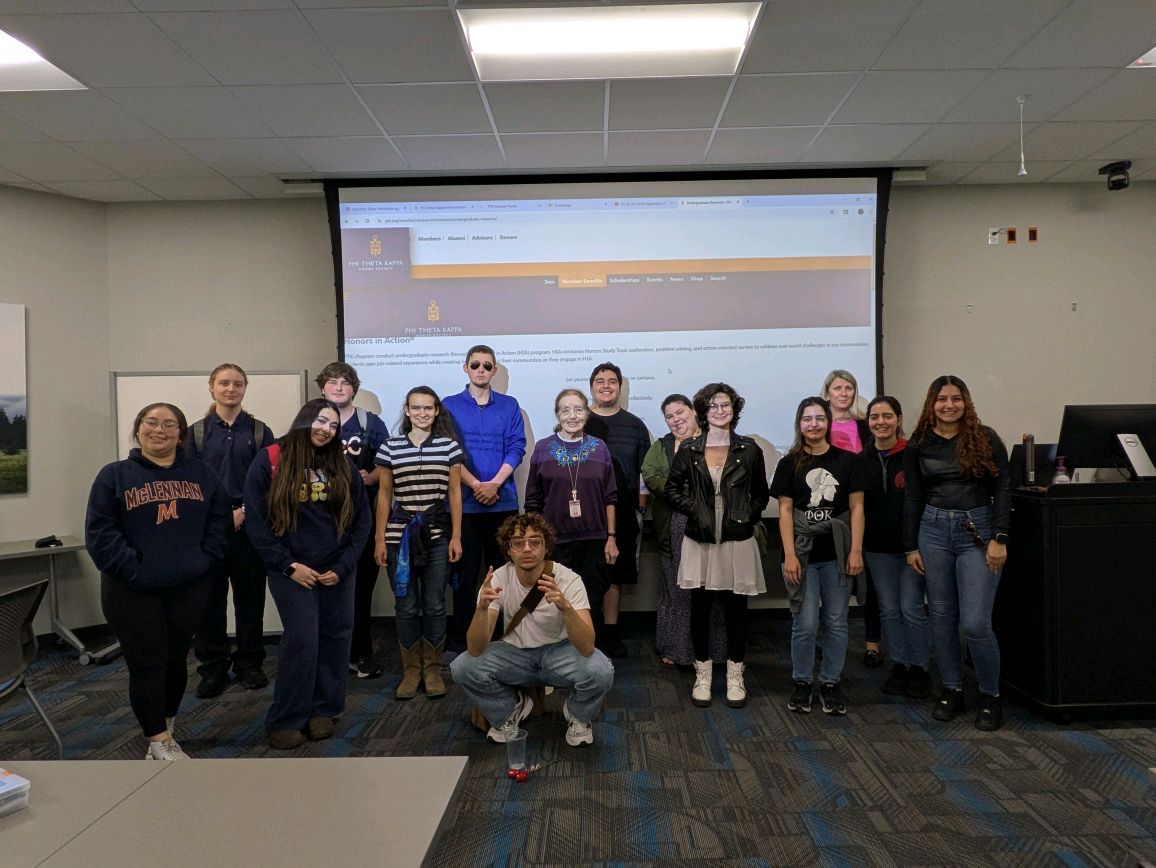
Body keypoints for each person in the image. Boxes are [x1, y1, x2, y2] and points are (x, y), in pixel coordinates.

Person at [85, 403, 230, 760]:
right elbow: (101, 534)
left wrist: (203, 562)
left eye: (169, 424)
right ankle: (158, 741)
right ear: (138, 429)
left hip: (188, 587)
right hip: (131, 591)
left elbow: (220, 524)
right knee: (147, 662)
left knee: (177, 659)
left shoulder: (202, 474)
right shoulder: (114, 475)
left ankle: (165, 724)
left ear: (181, 434)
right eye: (151, 423)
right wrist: (135, 569)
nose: (160, 430)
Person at [244, 398, 371, 749]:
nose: (325, 429)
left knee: (335, 637)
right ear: (303, 420)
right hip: (291, 569)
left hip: (336, 570)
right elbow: (256, 521)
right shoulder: (271, 458)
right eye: (320, 421)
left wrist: (343, 567)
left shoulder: (342, 464)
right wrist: (287, 564)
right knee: (302, 639)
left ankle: (324, 710)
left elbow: (362, 520)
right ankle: (286, 718)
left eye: (333, 425)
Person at [450, 513, 614, 747]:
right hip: (514, 656)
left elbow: (587, 646)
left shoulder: (568, 579)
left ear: (545, 547)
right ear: (509, 550)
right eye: (518, 542)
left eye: (535, 541)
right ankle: (510, 709)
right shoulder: (498, 578)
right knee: (462, 666)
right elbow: (475, 649)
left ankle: (578, 715)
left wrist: (565, 608)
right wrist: (482, 609)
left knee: (601, 669)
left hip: (558, 654)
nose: (527, 548)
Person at [904, 375, 1009, 731]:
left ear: (966, 401)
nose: (949, 405)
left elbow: (1003, 488)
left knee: (976, 623)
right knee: (942, 617)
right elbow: (913, 497)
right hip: (932, 531)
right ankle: (952, 689)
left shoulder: (986, 438)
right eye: (942, 399)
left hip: (976, 533)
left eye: (955, 398)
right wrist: (910, 545)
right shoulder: (919, 442)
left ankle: (990, 695)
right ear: (931, 403)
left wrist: (1000, 537)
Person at [665, 383, 768, 708]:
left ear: (734, 409)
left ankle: (736, 675)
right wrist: (695, 509)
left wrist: (746, 517)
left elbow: (761, 494)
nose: (720, 411)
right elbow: (671, 490)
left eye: (725, 405)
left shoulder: (750, 450)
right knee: (702, 608)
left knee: (737, 609)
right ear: (703, 411)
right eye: (713, 406)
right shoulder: (689, 449)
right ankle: (703, 675)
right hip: (700, 536)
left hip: (737, 536)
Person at [185, 363, 275, 699]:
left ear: (244, 389)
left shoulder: (260, 431)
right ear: (212, 388)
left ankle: (249, 664)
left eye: (237, 384)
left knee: (249, 601)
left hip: (249, 530)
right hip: (209, 532)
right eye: (224, 383)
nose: (230, 389)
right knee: (209, 603)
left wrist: (244, 512)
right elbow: (188, 483)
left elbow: (270, 481)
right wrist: (222, 516)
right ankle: (213, 669)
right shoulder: (194, 433)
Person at [772, 396, 866, 717]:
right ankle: (801, 682)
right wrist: (789, 555)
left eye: (819, 418)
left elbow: (856, 508)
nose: (814, 424)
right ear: (799, 424)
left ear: (828, 421)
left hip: (839, 554)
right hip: (803, 555)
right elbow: (785, 511)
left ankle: (830, 682)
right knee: (805, 622)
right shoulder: (789, 463)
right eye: (807, 419)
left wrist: (855, 550)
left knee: (838, 622)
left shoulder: (848, 460)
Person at [374, 386, 464, 700]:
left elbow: (454, 493)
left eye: (428, 408)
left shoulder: (449, 447)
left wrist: (456, 535)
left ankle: (432, 669)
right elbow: (384, 495)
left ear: (436, 410)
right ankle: (411, 670)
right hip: (400, 538)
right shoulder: (390, 447)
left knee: (436, 605)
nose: (422, 414)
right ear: (408, 411)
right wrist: (379, 539)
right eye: (416, 408)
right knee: (407, 605)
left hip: (438, 535)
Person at [442, 345, 526, 656]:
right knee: (465, 575)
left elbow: (517, 446)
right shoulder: (448, 405)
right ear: (465, 368)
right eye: (475, 364)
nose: (481, 369)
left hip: (502, 503)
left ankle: (503, 636)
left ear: (494, 371)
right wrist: (478, 484)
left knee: (504, 572)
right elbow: (446, 450)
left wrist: (494, 483)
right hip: (464, 504)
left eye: (487, 365)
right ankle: (461, 637)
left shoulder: (509, 405)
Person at [523, 389, 618, 641]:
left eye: (578, 409)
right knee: (552, 599)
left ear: (586, 413)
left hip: (593, 539)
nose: (572, 416)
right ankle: (554, 654)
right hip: (554, 540)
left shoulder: (600, 448)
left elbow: (610, 497)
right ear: (557, 414)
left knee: (591, 597)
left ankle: (589, 652)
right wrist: (534, 541)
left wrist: (611, 537)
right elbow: (532, 499)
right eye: (565, 410)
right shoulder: (543, 448)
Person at [316, 362, 390, 679]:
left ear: (354, 389)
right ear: (322, 388)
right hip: (322, 521)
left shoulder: (371, 423)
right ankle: (329, 656)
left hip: (363, 519)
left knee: (360, 591)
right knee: (326, 590)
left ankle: (361, 654)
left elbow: (387, 465)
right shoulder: (311, 423)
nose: (339, 387)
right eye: (332, 382)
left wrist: (369, 477)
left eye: (345, 383)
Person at [642, 394, 727, 668]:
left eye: (681, 413)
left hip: (712, 526)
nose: (676, 420)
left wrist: (688, 489)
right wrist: (682, 490)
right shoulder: (662, 446)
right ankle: (679, 650)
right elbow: (650, 475)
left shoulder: (715, 440)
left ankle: (714, 650)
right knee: (677, 589)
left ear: (693, 412)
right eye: (670, 416)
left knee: (711, 589)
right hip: (672, 527)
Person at [858, 396, 931, 699]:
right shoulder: (862, 460)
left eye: (887, 416)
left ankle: (920, 668)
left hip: (910, 547)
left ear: (899, 419)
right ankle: (899, 665)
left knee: (912, 608)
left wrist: (917, 543)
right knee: (889, 610)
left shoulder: (914, 454)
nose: (880, 422)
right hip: (876, 548)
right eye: (874, 417)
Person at [586, 362, 650, 658]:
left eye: (612, 381)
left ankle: (611, 633)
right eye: (600, 381)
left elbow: (644, 473)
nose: (606, 385)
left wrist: (640, 510)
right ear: (591, 387)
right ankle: (588, 631)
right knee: (586, 572)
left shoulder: (635, 425)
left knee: (614, 574)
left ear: (620, 387)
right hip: (585, 511)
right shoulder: (579, 420)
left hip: (623, 511)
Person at [821, 368, 882, 669]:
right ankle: (830, 640)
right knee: (830, 580)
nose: (843, 394)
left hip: (864, 511)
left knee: (868, 581)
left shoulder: (866, 427)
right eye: (837, 388)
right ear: (827, 393)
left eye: (849, 388)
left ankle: (872, 643)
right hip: (829, 515)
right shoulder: (818, 425)